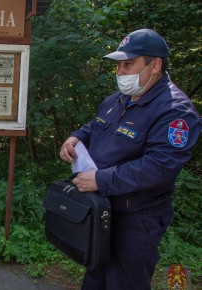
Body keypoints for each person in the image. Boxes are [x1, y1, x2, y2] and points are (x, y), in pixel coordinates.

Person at [59, 28, 201, 289]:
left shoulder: (176, 112)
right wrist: (75, 137)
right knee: (95, 277)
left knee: (125, 281)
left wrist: (101, 180)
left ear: (155, 65)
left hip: (137, 218)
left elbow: (159, 167)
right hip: (101, 209)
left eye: (128, 64)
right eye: (118, 65)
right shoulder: (117, 100)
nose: (120, 72)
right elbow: (94, 127)